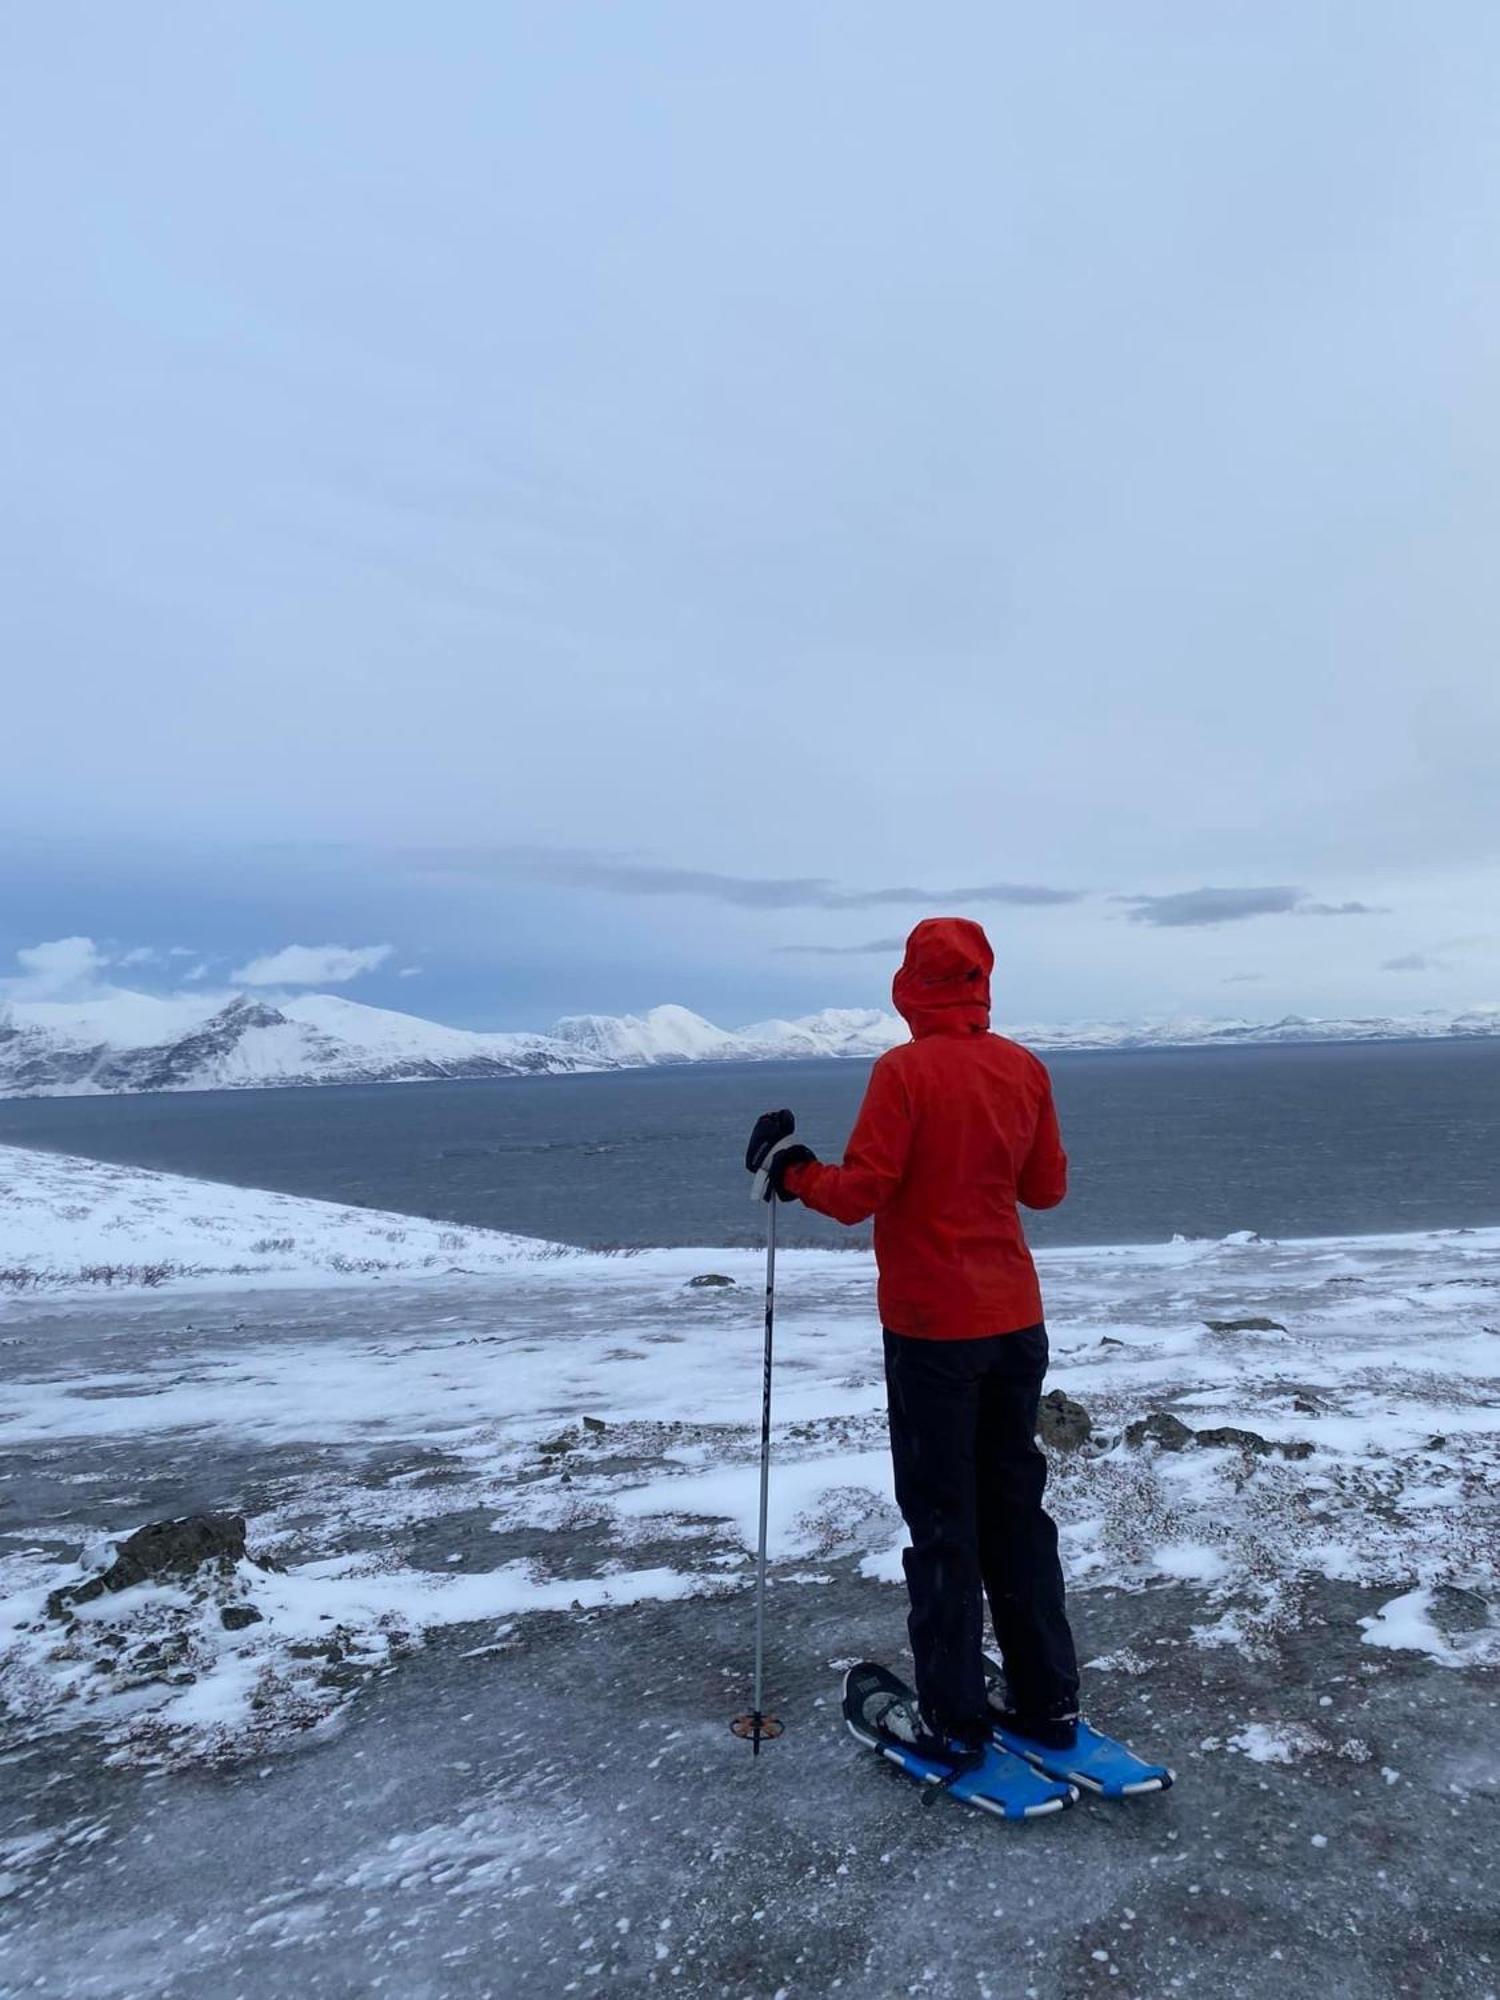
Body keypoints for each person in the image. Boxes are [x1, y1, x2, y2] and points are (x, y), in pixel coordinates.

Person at [745, 916, 1079, 1768]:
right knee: (1016, 1509)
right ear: (981, 983)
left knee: (943, 1522)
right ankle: (1047, 1701)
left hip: (934, 1330)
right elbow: (1046, 1188)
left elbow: (862, 1194)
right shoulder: (1022, 1066)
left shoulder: (902, 1071)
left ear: (909, 986)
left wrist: (793, 1174)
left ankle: (954, 1720)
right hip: (1016, 1322)